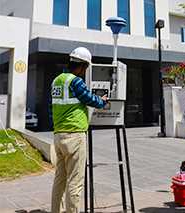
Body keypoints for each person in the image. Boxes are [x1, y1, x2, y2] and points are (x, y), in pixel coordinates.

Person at [51, 47, 107, 213]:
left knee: (59, 180)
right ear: (82, 66)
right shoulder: (75, 81)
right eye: (86, 68)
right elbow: (89, 98)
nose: (85, 72)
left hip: (58, 135)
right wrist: (103, 101)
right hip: (74, 136)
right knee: (75, 182)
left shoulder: (56, 81)